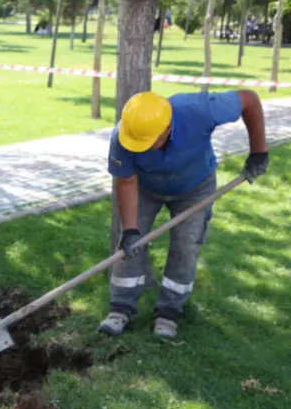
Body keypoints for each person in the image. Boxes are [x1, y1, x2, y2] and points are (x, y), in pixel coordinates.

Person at [98, 89, 268, 339]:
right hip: (145, 188)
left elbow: (249, 100)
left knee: (186, 244)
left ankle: (168, 312)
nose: (141, 147)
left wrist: (258, 151)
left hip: (194, 188)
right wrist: (132, 229)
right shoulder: (124, 135)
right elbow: (125, 182)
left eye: (148, 141)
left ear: (167, 128)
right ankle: (120, 308)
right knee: (130, 243)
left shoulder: (199, 110)